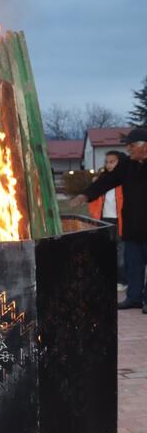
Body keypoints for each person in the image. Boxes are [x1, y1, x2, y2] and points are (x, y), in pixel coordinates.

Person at [71, 128, 147, 312]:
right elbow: (106, 181)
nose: (128, 149)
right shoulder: (126, 165)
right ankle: (134, 298)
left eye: (131, 145)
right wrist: (85, 195)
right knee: (133, 266)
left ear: (145, 145)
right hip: (132, 227)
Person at [88, 151, 128, 290]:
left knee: (121, 252)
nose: (108, 165)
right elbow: (93, 202)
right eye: (107, 162)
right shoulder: (102, 180)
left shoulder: (125, 181)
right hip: (104, 221)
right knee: (105, 251)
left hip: (120, 221)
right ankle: (107, 278)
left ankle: (122, 281)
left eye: (112, 162)